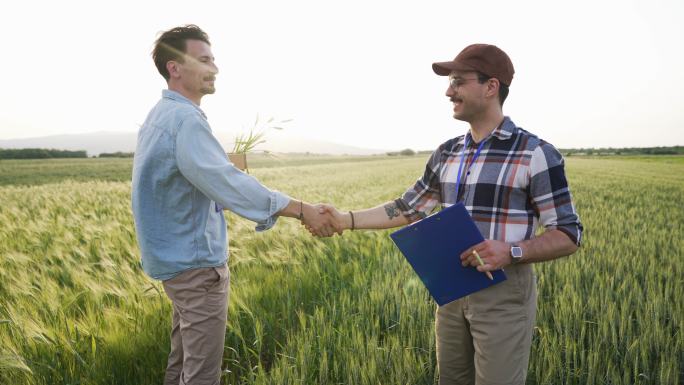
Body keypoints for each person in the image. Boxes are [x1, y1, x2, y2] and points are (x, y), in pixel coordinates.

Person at [318, 44, 583, 385]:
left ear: (491, 87)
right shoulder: (447, 152)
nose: (448, 91)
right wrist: (345, 219)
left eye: (458, 81)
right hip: (452, 289)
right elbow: (408, 207)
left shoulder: (535, 154)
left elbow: (568, 233)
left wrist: (512, 251)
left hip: (502, 292)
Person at [131, 25, 338, 385]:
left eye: (214, 59)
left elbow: (186, 181)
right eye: (204, 59)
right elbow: (229, 185)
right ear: (174, 68)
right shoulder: (185, 120)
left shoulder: (158, 116)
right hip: (196, 266)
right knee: (201, 374)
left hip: (172, 263)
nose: (214, 68)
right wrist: (302, 208)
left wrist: (222, 170)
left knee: (180, 362)